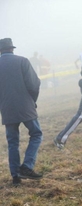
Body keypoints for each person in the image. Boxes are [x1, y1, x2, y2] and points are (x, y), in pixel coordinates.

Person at [0, 38, 43, 185]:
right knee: (36, 134)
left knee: (13, 142)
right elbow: (34, 84)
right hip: (26, 106)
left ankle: (16, 176)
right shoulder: (23, 61)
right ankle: (27, 166)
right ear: (12, 49)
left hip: (7, 109)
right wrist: (32, 101)